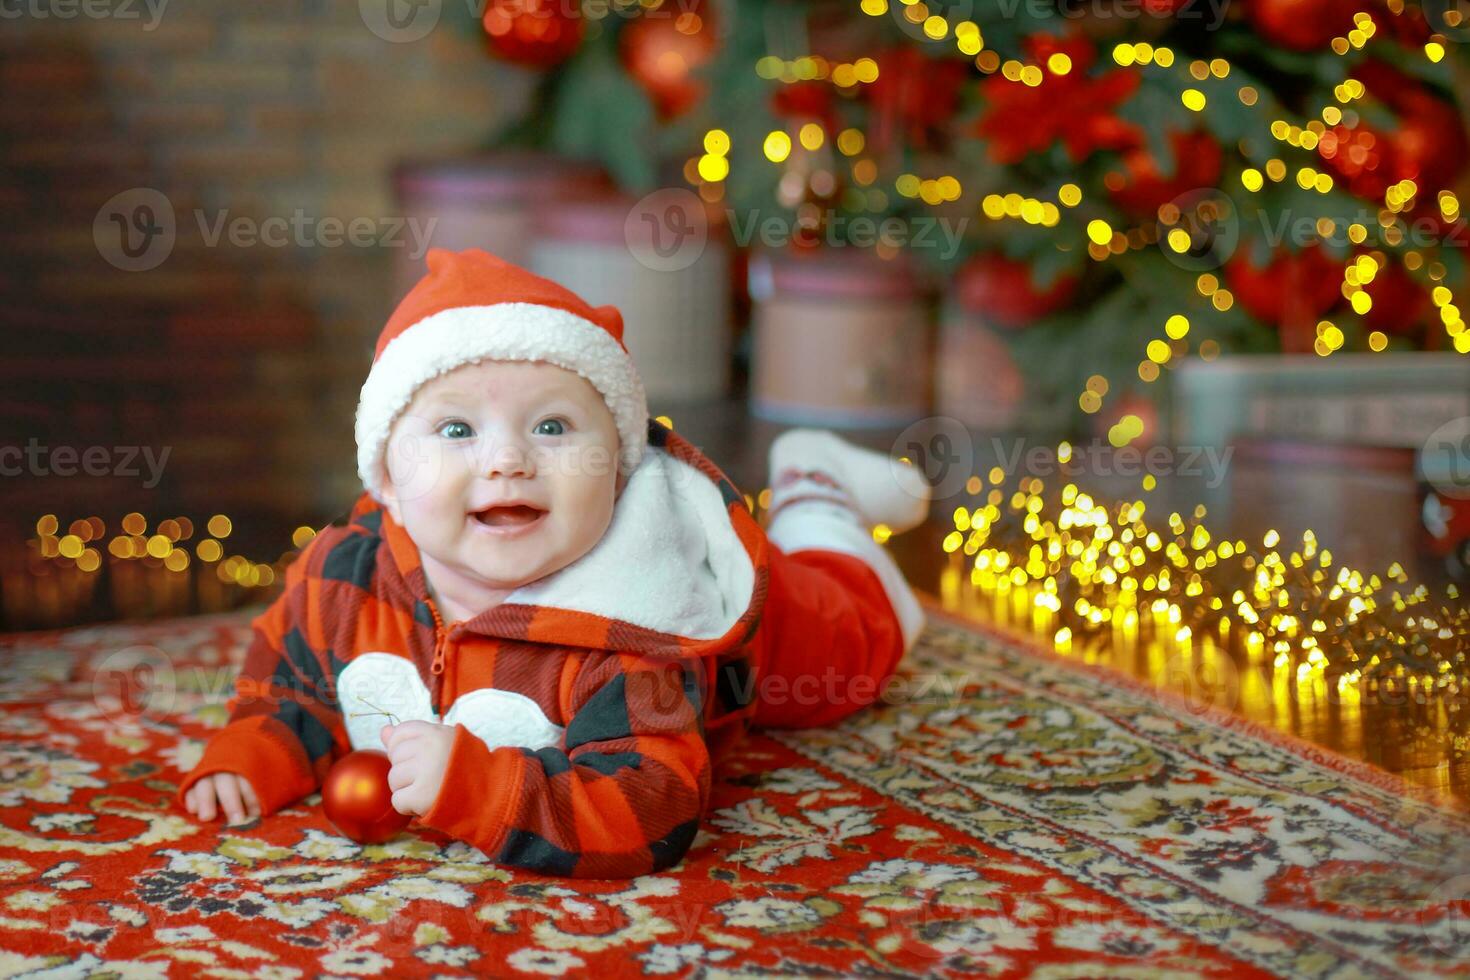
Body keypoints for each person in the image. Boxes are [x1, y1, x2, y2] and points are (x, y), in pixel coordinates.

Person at [176, 247, 931, 878]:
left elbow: (651, 809)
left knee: (854, 653)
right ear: (389, 489)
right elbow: (291, 682)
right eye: (456, 428)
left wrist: (476, 786)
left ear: (617, 471)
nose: (507, 459)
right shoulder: (346, 577)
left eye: (551, 425)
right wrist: (252, 753)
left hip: (772, 632)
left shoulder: (632, 621)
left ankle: (817, 494)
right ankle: (806, 488)